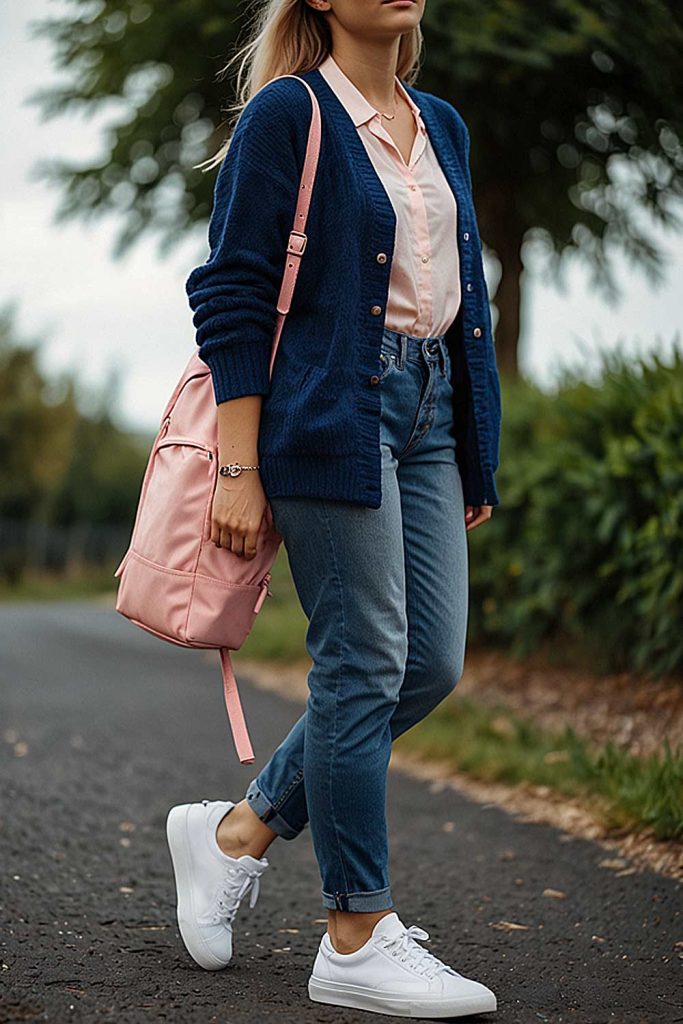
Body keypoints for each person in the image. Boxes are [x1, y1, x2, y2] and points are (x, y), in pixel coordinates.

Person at [166, 0, 502, 1016]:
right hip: (325, 410)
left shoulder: (440, 122)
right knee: (361, 656)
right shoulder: (289, 115)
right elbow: (229, 285)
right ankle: (354, 933)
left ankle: (236, 831)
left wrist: (471, 451)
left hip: (430, 412)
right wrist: (236, 462)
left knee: (428, 662)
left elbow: (460, 293)